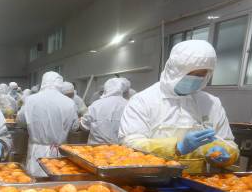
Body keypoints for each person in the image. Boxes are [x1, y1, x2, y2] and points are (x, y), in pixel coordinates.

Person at [119, 40, 239, 171]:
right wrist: (176, 147)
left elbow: (228, 142)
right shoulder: (143, 100)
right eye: (189, 74)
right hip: (151, 178)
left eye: (201, 75)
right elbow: (130, 144)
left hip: (198, 182)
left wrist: (225, 154)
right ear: (174, 70)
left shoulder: (211, 103)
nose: (195, 79)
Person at [17, 71, 79, 176]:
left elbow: (20, 121)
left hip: (37, 150)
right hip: (59, 150)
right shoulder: (69, 102)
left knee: (36, 182)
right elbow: (74, 127)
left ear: (43, 82)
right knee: (57, 183)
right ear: (60, 84)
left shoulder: (30, 100)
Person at [80, 78, 128, 144]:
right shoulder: (128, 104)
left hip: (96, 148)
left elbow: (84, 126)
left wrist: (81, 122)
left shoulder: (97, 104)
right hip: (120, 149)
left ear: (106, 89)